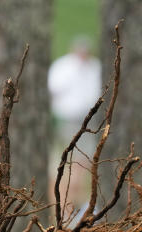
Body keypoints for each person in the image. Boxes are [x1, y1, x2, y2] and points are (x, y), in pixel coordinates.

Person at [47, 35, 101, 219]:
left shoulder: (94, 68)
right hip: (68, 118)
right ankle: (65, 204)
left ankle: (74, 203)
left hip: (88, 119)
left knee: (82, 161)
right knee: (73, 160)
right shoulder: (64, 67)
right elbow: (54, 91)